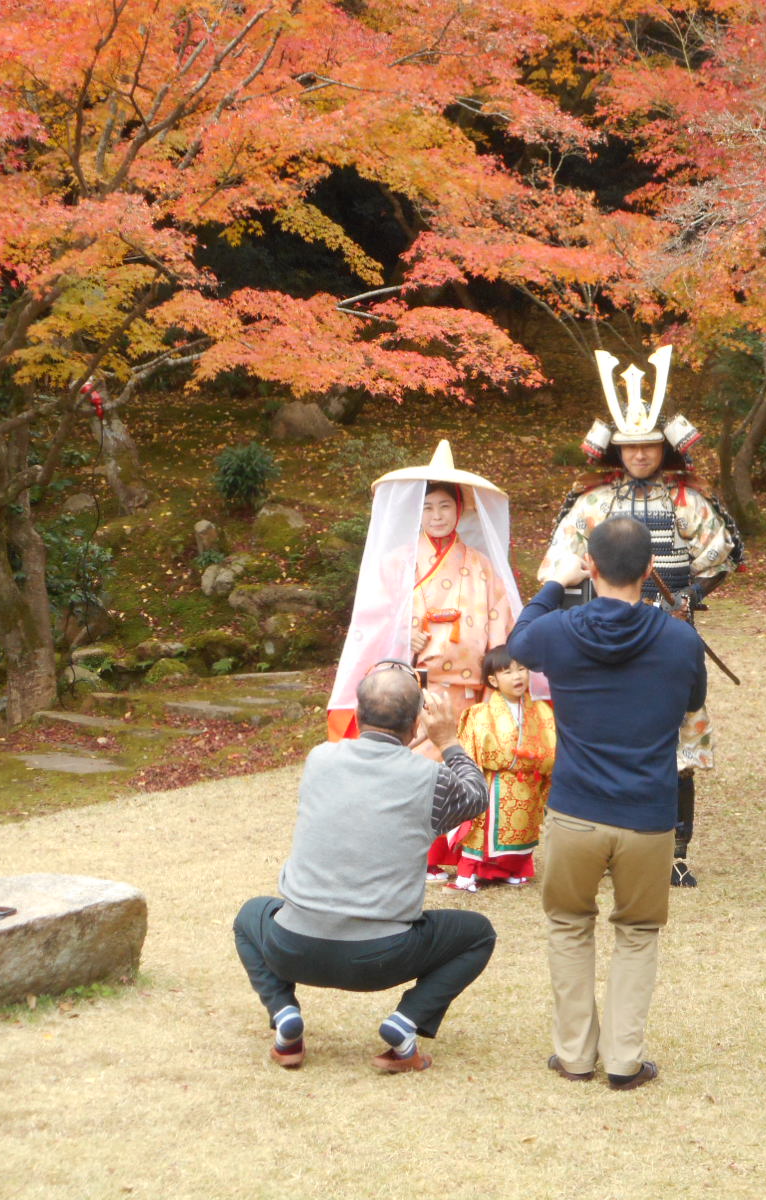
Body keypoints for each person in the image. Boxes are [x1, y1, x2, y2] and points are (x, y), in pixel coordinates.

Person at [509, 515, 707, 1091]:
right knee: (638, 932)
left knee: (569, 924)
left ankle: (574, 1055)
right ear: (650, 569)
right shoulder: (679, 639)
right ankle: (623, 1060)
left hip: (575, 809)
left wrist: (555, 583)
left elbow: (518, 641)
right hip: (648, 815)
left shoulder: (559, 631)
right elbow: (693, 698)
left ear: (591, 567)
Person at [537, 345, 742, 887]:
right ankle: (602, 845)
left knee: (675, 744)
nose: (640, 455)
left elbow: (721, 556)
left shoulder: (687, 500)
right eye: (631, 446)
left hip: (669, 634)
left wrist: (689, 595)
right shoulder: (593, 502)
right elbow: (559, 565)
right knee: (600, 736)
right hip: (601, 632)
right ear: (618, 450)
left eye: (649, 445)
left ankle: (675, 852)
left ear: (663, 447)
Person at [235, 663, 496, 1074]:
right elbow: (477, 795)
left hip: (292, 946)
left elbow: (375, 773)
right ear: (416, 724)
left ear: (356, 716)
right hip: (380, 959)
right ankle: (406, 1022)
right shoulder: (432, 779)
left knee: (250, 915)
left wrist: (404, 740)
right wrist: (448, 741)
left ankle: (284, 1016)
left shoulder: (319, 759)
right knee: (478, 933)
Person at [322, 439, 530, 878]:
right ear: (416, 512)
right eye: (428, 507)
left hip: (468, 692)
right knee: (413, 770)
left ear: (460, 510)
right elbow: (371, 626)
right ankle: (408, 852)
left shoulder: (482, 566)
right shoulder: (395, 564)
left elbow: (500, 628)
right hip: (414, 688)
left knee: (460, 769)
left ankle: (459, 856)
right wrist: (403, 633)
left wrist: (496, 680)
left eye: (445, 507)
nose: (436, 516)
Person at [447, 645, 557, 894]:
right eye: (508, 672)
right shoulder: (481, 713)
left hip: (528, 782)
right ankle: (467, 875)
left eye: (522, 669)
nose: (517, 676)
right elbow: (474, 751)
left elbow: (551, 747)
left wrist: (539, 762)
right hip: (495, 782)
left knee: (523, 830)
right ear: (493, 680)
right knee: (483, 830)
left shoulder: (542, 711)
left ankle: (513, 870)